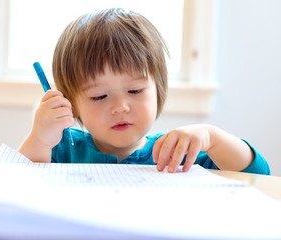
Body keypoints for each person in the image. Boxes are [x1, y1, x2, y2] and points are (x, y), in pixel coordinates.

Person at [19, 8, 270, 175]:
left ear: (158, 90)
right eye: (99, 96)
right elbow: (12, 186)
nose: (120, 107)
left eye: (135, 90)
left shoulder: (178, 154)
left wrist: (212, 137)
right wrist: (39, 140)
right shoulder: (62, 148)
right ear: (70, 103)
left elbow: (258, 176)